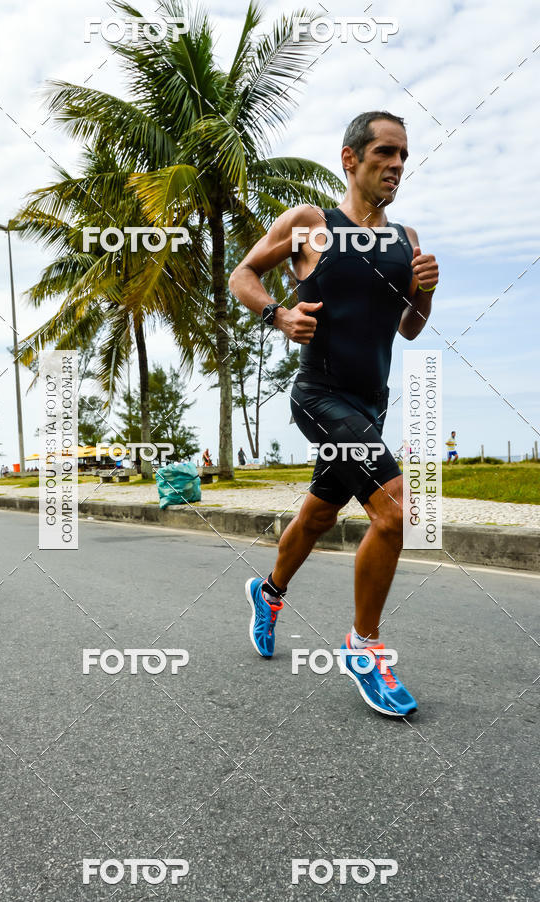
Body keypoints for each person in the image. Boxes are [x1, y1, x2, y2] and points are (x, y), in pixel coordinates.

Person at [229, 111, 439, 717]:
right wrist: (277, 315)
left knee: (320, 516)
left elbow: (409, 329)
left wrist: (423, 289)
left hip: (370, 403)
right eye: (384, 153)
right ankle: (364, 646)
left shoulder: (407, 240)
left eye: (403, 155)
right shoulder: (310, 224)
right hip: (319, 396)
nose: (396, 164)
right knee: (398, 511)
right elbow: (244, 274)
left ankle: (267, 593)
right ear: (351, 159)